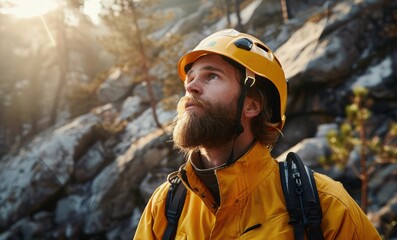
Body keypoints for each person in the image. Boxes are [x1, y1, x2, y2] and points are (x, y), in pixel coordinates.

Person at [133, 29, 381, 239]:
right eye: (190, 78)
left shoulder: (327, 205)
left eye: (211, 76)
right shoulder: (165, 206)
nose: (191, 86)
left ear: (251, 105)